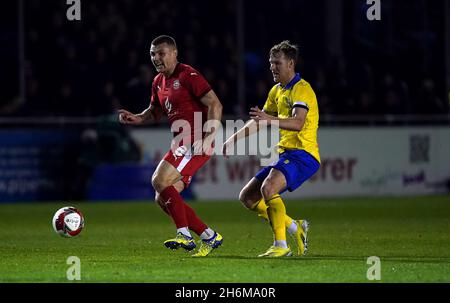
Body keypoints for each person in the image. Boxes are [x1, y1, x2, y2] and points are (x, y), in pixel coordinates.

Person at [118, 35, 223, 257]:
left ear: (174, 53)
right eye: (153, 54)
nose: (156, 58)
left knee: (158, 180)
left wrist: (208, 136)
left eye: (161, 53)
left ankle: (184, 235)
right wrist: (137, 118)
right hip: (181, 143)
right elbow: (154, 111)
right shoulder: (158, 81)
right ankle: (209, 235)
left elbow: (214, 103)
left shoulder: (188, 75)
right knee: (163, 198)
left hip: (194, 141)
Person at [223, 41, 320, 257]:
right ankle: (295, 227)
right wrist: (232, 139)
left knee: (268, 189)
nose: (272, 67)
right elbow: (260, 121)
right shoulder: (277, 91)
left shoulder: (301, 89)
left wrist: (269, 119)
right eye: (270, 63)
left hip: (304, 154)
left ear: (291, 64)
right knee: (248, 197)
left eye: (277, 63)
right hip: (288, 154)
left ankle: (281, 246)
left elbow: (298, 123)